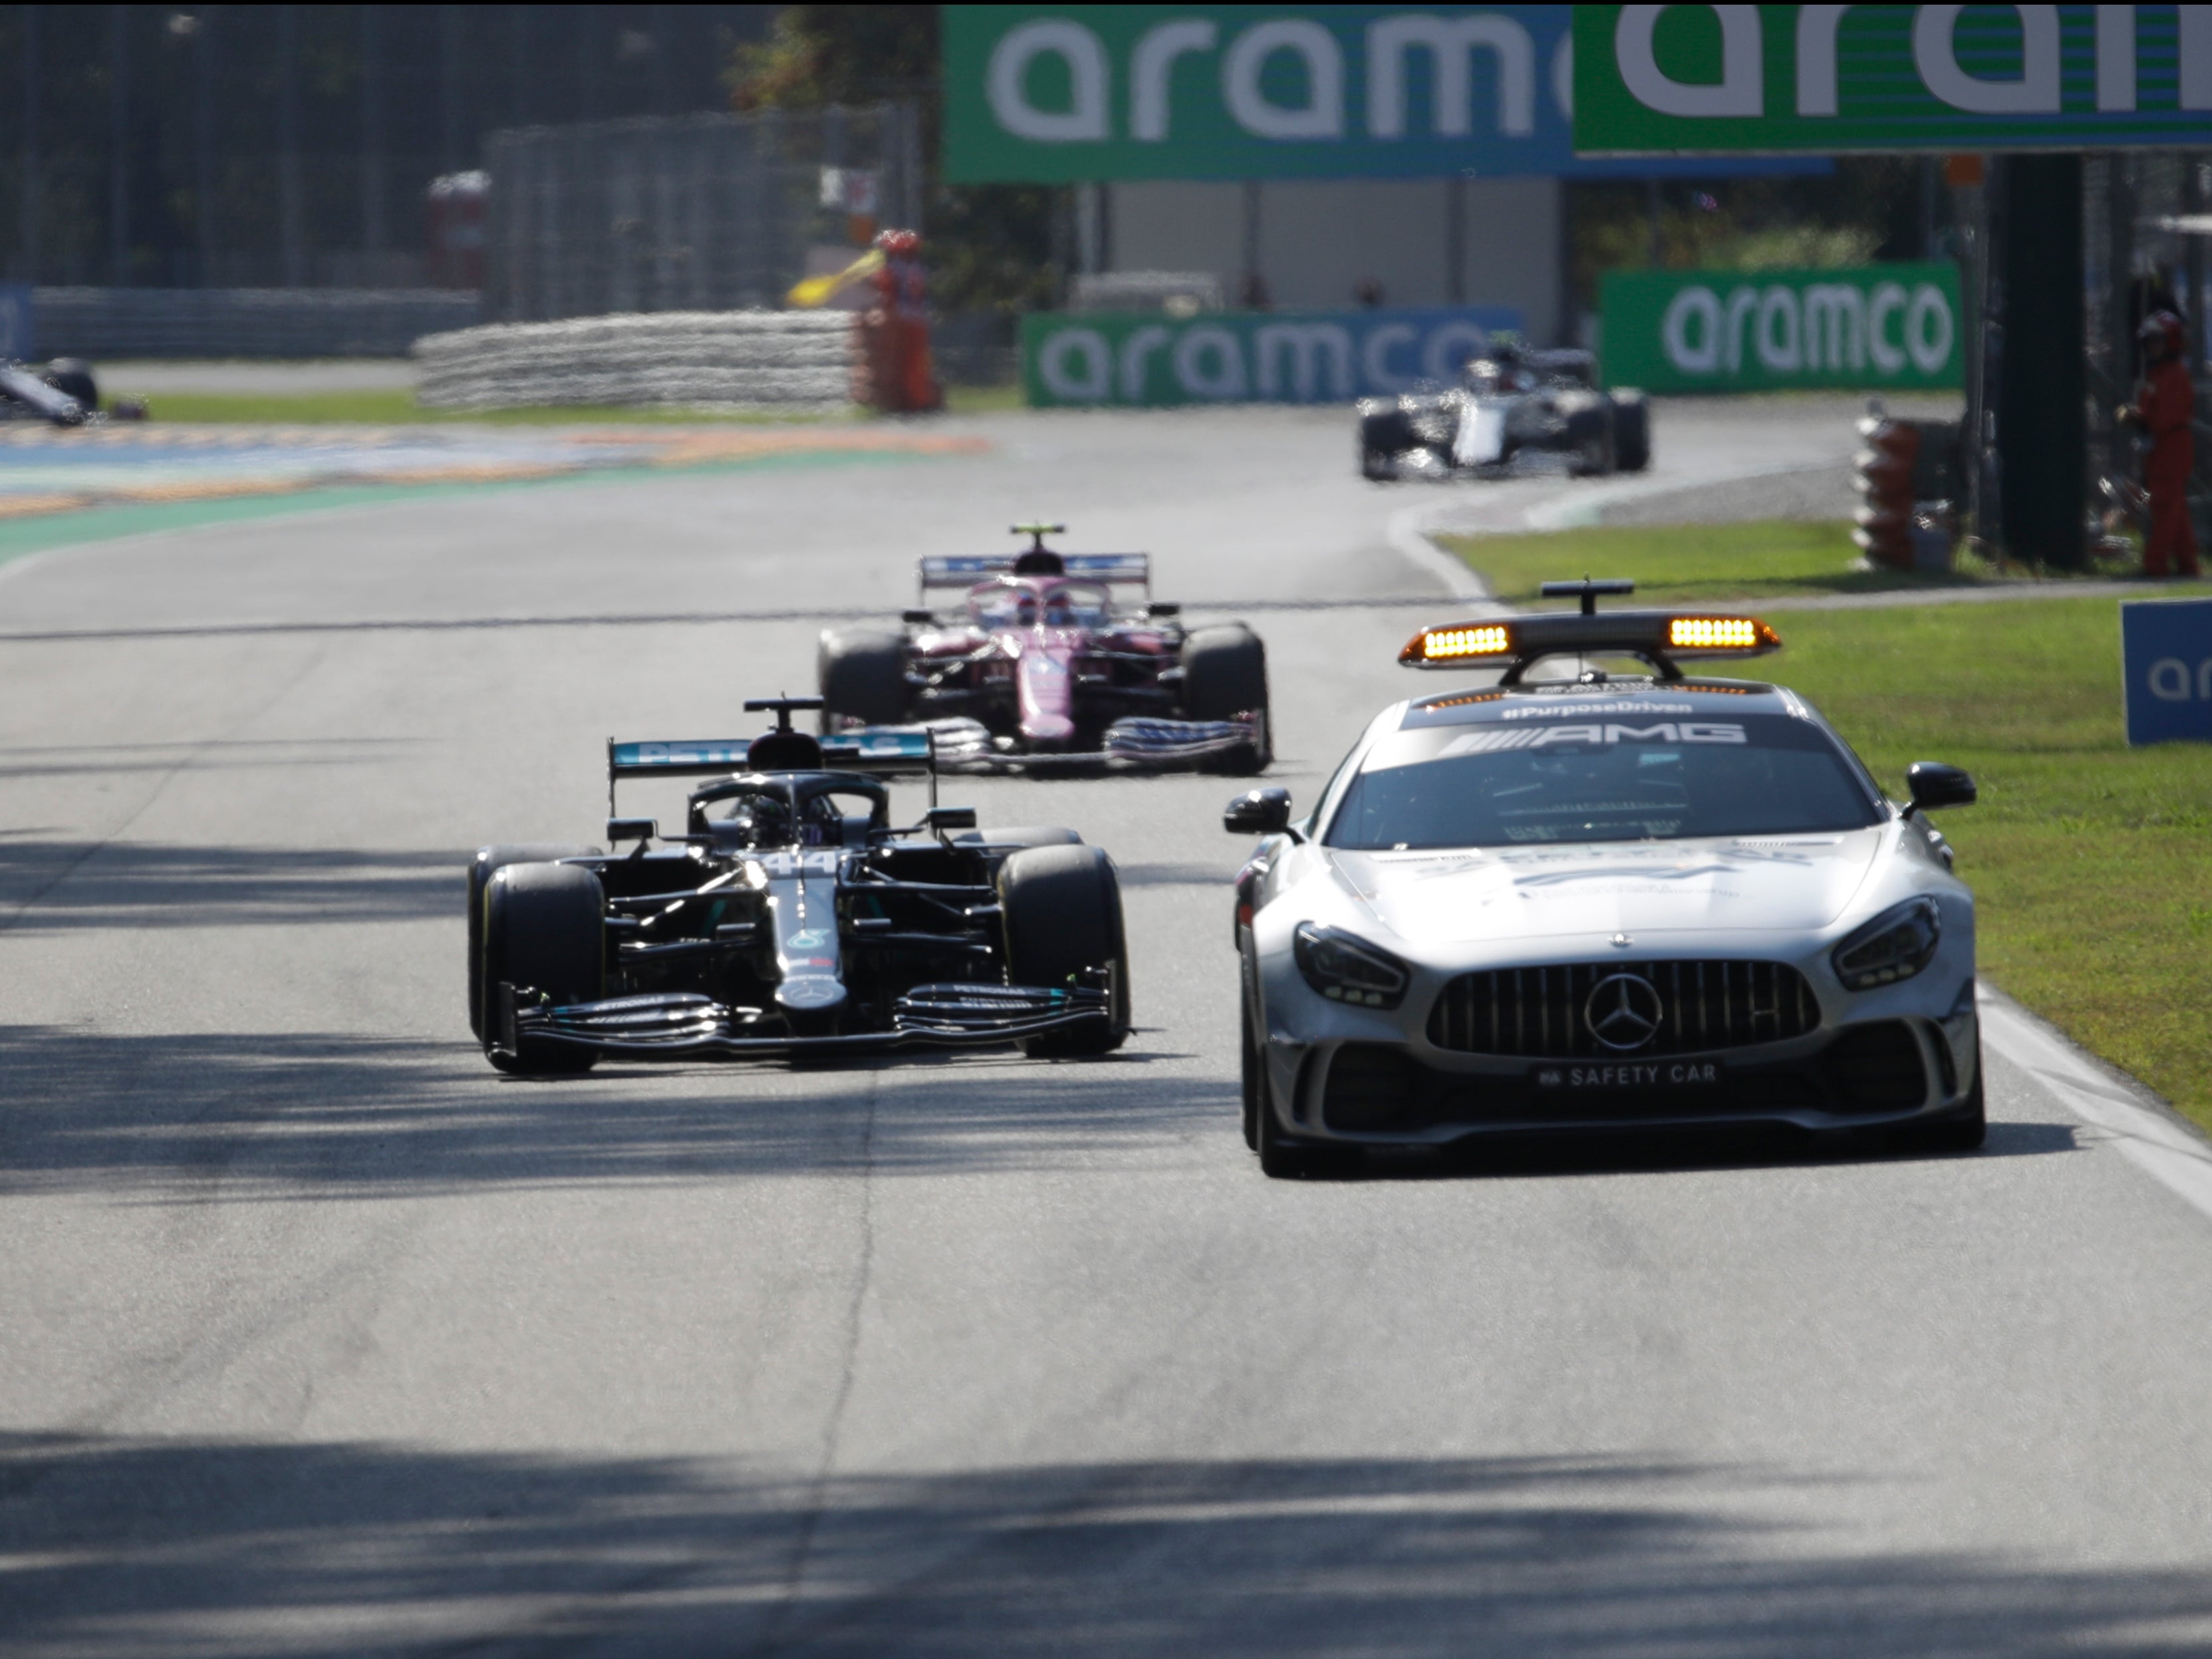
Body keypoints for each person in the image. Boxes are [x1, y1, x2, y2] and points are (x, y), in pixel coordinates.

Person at [2123, 310, 2201, 579]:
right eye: (2150, 342)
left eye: (2157, 341)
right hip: (2160, 448)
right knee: (2170, 507)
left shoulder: (2175, 376)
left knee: (2167, 505)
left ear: (2171, 342)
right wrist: (2135, 414)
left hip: (2173, 445)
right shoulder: (2157, 375)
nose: (2152, 347)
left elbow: (2165, 417)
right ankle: (2187, 562)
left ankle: (2155, 564)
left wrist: (2139, 416)